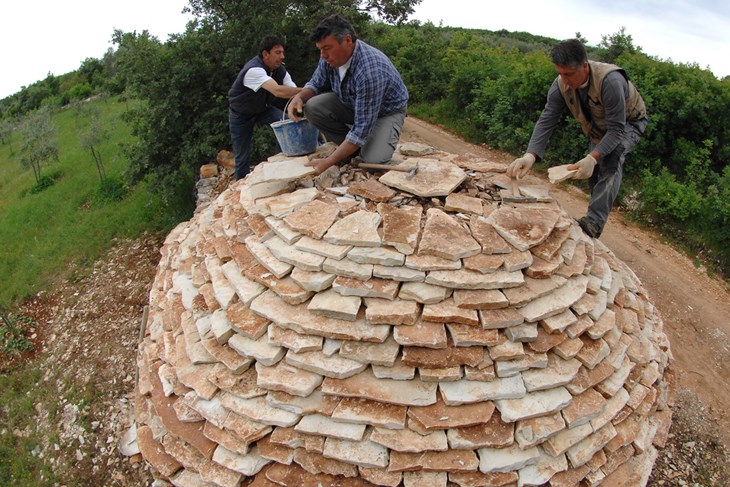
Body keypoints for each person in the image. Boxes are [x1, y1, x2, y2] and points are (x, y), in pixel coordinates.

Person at [507, 39, 648, 238]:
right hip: (598, 127)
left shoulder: (610, 81)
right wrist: (530, 155)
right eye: (560, 73)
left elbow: (616, 130)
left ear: (584, 66)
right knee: (593, 171)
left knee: (611, 159)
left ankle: (593, 224)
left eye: (569, 74)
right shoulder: (560, 84)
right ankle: (593, 215)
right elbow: (547, 119)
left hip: (629, 123)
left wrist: (593, 157)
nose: (564, 80)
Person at [287, 14, 408, 175]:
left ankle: (362, 148)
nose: (323, 55)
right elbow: (316, 83)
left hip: (385, 113)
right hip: (352, 103)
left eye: (327, 48)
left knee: (373, 163)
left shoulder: (370, 70)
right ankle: (350, 151)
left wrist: (328, 162)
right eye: (320, 49)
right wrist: (299, 97)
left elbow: (361, 130)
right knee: (312, 107)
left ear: (348, 40)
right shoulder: (329, 58)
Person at [228, 35, 302, 180]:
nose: (282, 56)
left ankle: (277, 168)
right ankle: (242, 187)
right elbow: (278, 91)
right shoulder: (253, 70)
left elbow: (292, 90)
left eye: (282, 52)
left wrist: (302, 102)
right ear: (265, 54)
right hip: (240, 113)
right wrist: (308, 90)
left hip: (262, 109)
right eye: (278, 52)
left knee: (287, 125)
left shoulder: (280, 70)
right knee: (242, 155)